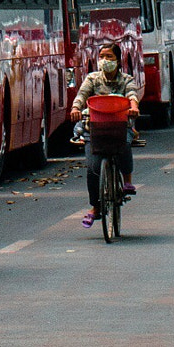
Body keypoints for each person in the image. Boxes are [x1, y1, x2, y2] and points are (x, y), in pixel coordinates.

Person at [70, 41, 142, 230]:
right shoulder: (92, 79)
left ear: (118, 61)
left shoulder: (126, 80)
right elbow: (81, 96)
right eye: (102, 57)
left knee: (125, 145)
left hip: (119, 126)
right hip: (93, 129)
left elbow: (132, 95)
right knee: (93, 169)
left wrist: (133, 107)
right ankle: (96, 207)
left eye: (109, 57)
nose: (104, 60)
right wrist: (76, 108)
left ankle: (127, 182)